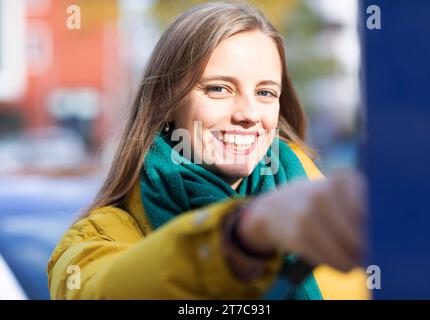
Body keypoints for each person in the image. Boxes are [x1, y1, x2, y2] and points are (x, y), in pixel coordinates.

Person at [47, 1, 368, 300]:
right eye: (218, 88)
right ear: (168, 102)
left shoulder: (339, 216)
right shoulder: (95, 238)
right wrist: (245, 233)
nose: (249, 114)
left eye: (266, 92)